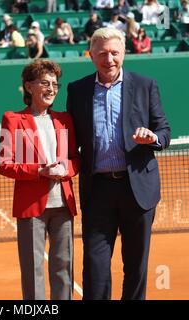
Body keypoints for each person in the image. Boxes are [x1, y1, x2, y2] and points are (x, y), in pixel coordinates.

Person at [66, 27, 171, 300]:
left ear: (124, 52)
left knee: (136, 264)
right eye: (102, 54)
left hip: (137, 187)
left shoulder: (145, 85)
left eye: (114, 53)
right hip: (98, 189)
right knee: (95, 264)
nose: (109, 59)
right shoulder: (77, 90)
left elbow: (164, 131)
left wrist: (153, 138)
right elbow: (69, 138)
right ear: (91, 56)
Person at [0, 59, 80, 300]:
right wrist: (39, 171)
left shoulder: (65, 119)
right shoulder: (12, 120)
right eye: (44, 83)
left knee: (64, 267)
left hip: (63, 205)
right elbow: (5, 164)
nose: (51, 88)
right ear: (29, 86)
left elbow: (75, 159)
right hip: (31, 208)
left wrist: (66, 169)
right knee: (33, 270)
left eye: (55, 84)